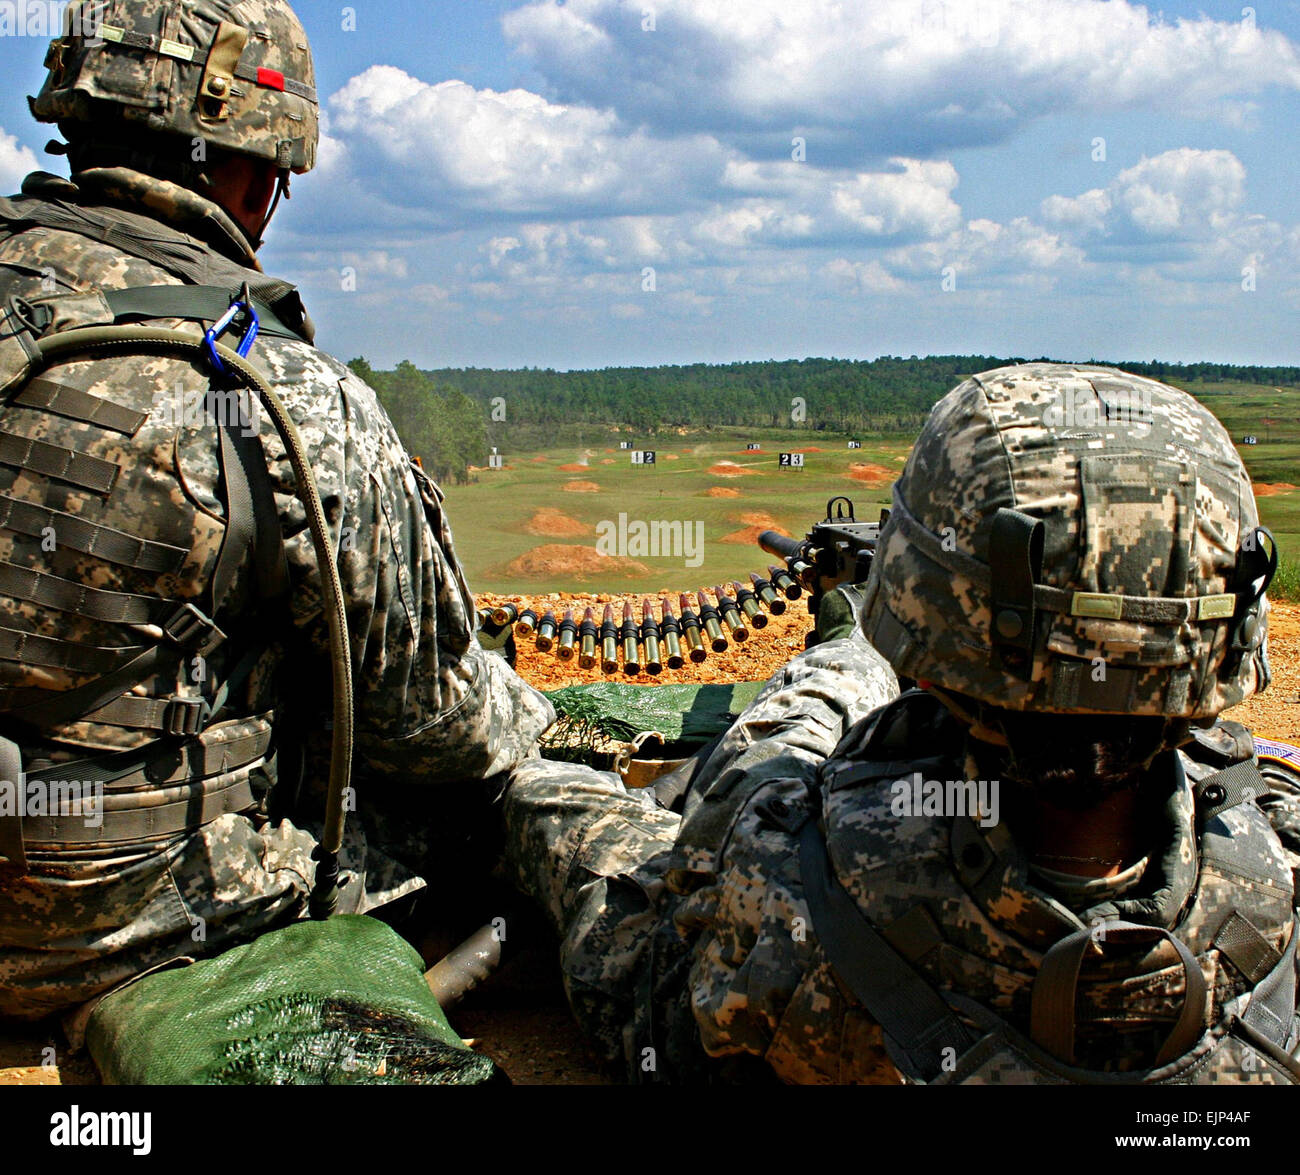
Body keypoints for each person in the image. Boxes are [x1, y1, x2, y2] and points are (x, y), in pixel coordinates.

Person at [503, 363, 1300, 1084]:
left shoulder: (791, 887)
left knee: (557, 798)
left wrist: (854, 644)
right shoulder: (1277, 870)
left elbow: (749, 797)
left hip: (705, 974)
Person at [0, 0, 553, 1022]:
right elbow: (434, 724)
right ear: (253, 177)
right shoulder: (282, 394)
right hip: (122, 928)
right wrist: (542, 728)